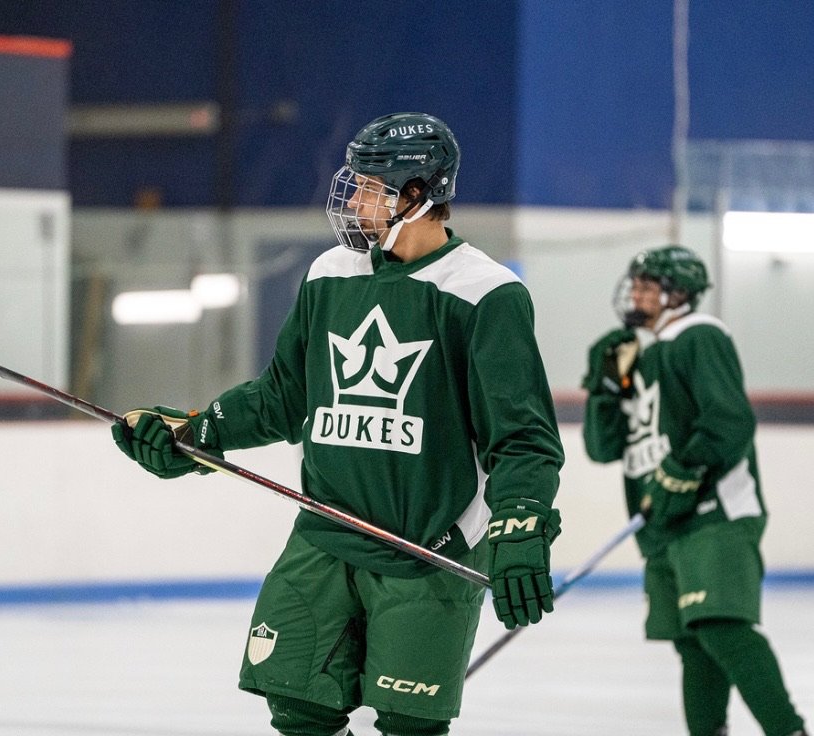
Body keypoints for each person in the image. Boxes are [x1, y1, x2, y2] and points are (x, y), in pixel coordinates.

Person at [113, 112, 564, 736]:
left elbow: (523, 439)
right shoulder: (330, 274)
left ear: (417, 193)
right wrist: (194, 435)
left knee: (410, 725)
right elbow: (280, 397)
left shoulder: (485, 294)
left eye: (368, 185)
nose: (351, 199)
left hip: (428, 549)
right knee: (297, 711)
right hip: (324, 539)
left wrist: (521, 526)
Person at [582, 245, 807, 736]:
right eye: (635, 283)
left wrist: (681, 471)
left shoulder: (698, 336)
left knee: (721, 626)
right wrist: (604, 389)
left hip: (713, 512)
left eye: (649, 285)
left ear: (679, 295)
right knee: (692, 639)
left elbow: (729, 420)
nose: (636, 293)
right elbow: (603, 450)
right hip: (662, 521)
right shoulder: (632, 353)